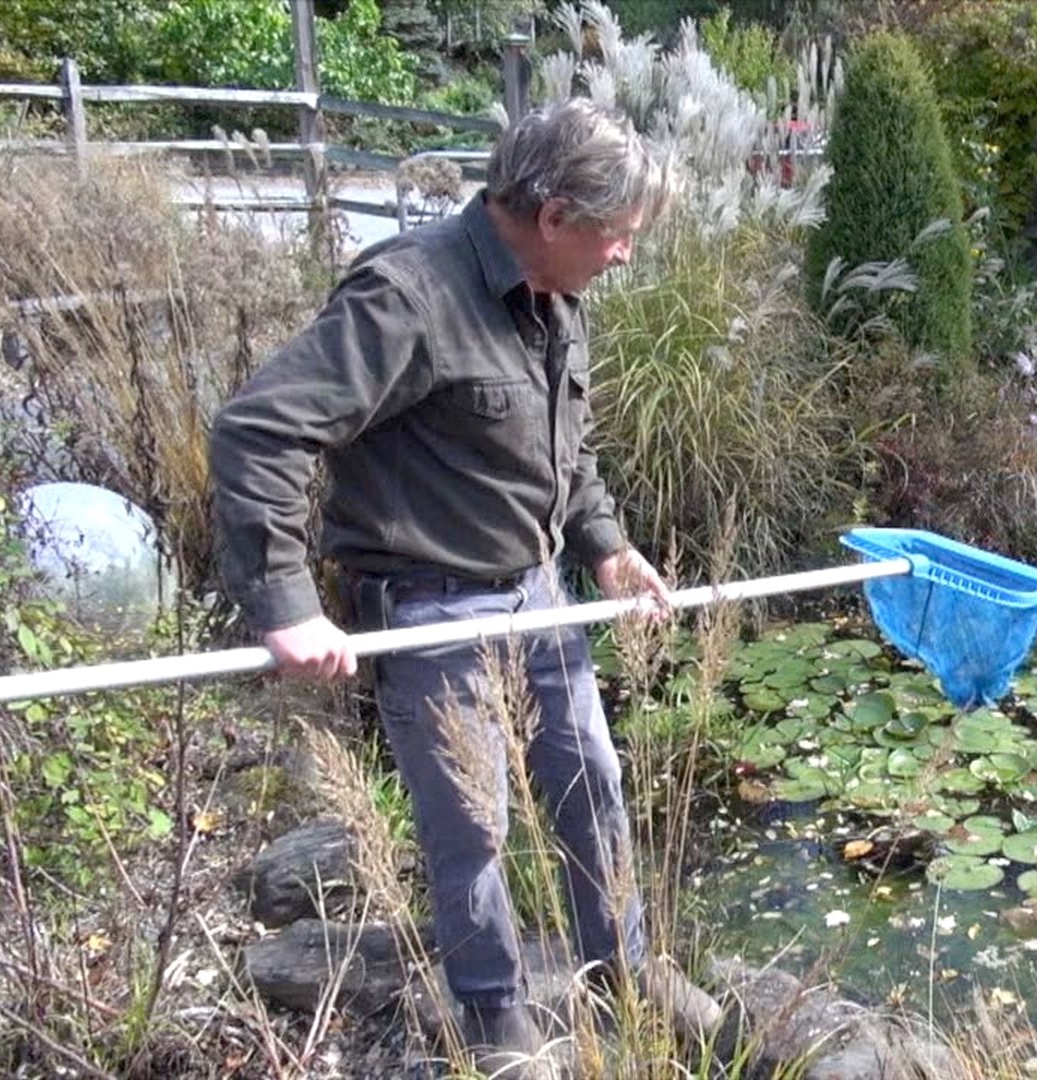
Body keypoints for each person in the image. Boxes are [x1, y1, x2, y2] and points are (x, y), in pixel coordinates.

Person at [210, 99, 719, 1078]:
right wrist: (287, 603)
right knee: (473, 826)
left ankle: (624, 965)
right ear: (556, 215)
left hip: (538, 592)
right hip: (431, 607)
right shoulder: (408, 296)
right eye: (616, 237)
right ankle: (491, 1016)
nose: (624, 258)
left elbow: (566, 452)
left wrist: (605, 545)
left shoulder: (555, 293)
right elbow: (260, 432)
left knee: (593, 785)